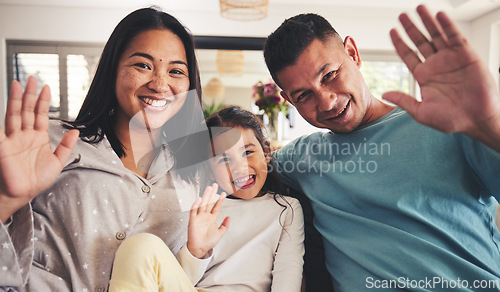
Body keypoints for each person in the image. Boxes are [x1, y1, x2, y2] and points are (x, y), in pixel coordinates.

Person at [263, 4, 500, 291]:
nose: (326, 102)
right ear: (289, 101)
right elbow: (211, 168)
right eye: (304, 95)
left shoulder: (450, 123)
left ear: (352, 53)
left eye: (329, 76)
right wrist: (190, 87)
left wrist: (489, 123)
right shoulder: (301, 158)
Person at [0, 7, 209, 291]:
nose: (161, 84)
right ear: (113, 70)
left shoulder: (192, 172)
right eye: (142, 65)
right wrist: (7, 199)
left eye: (175, 71)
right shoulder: (53, 143)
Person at [108, 106, 305, 291]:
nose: (240, 167)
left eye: (248, 152)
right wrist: (196, 250)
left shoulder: (286, 209)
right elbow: (179, 280)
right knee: (141, 246)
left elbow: (288, 275)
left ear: (266, 153)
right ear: (209, 171)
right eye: (224, 159)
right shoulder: (202, 208)